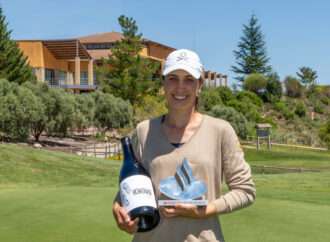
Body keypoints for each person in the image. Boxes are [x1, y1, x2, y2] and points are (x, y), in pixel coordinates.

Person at [112, 49, 256, 242]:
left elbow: (245, 190)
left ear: (200, 85)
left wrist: (204, 211)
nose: (180, 87)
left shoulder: (220, 130)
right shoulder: (144, 130)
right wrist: (118, 209)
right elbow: (132, 187)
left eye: (189, 79)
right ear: (163, 83)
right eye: (173, 78)